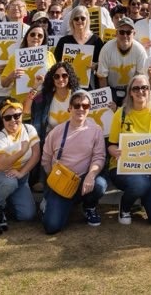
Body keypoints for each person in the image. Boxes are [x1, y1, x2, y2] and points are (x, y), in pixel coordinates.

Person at [40, 88, 109, 232]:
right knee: (51, 227)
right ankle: (58, 203)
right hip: (62, 182)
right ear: (69, 108)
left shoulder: (96, 130)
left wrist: (91, 175)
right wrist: (54, 179)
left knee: (100, 185)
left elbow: (99, 157)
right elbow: (46, 159)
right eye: (77, 105)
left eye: (85, 106)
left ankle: (88, 206)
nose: (81, 109)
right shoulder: (57, 131)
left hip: (83, 180)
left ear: (89, 109)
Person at [108, 74, 151, 226]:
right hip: (122, 168)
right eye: (135, 88)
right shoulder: (121, 113)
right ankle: (124, 207)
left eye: (144, 87)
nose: (140, 91)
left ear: (149, 90)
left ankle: (144, 198)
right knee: (140, 183)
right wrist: (115, 151)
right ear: (130, 92)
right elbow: (111, 145)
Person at [0, 100, 40, 223]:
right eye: (8, 118)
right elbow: (1, 166)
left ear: (22, 115)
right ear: (2, 120)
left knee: (27, 215)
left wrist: (22, 173)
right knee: (10, 183)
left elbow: (36, 155)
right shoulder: (0, 138)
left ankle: (8, 201)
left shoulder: (29, 130)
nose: (13, 120)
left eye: (17, 116)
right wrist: (21, 152)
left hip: (20, 177)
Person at [97, 17, 151, 107]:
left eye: (128, 32)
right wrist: (108, 100)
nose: (125, 36)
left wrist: (133, 97)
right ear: (116, 34)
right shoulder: (106, 49)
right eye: (122, 32)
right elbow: (102, 77)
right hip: (111, 88)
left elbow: (141, 77)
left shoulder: (140, 50)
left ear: (134, 34)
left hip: (131, 89)